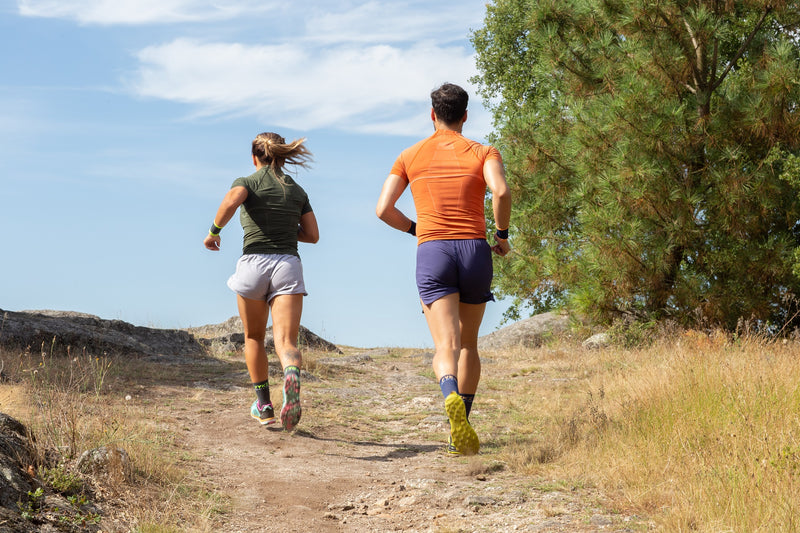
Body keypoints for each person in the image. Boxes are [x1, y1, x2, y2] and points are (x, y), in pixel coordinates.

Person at [376, 83, 512, 456]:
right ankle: (461, 424)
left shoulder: (409, 155)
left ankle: (448, 393)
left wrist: (418, 230)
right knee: (469, 343)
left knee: (445, 345)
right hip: (474, 250)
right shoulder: (484, 152)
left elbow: (383, 209)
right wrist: (501, 235)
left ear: (432, 115)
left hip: (433, 249)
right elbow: (500, 193)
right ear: (465, 116)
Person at [204, 132, 319, 432]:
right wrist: (284, 227)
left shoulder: (247, 182)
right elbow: (312, 235)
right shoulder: (296, 190)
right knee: (286, 342)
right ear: (281, 156)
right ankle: (291, 371)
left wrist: (215, 231)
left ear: (254, 157)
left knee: (254, 337)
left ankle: (264, 405)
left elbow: (232, 200)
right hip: (287, 266)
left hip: (253, 264)